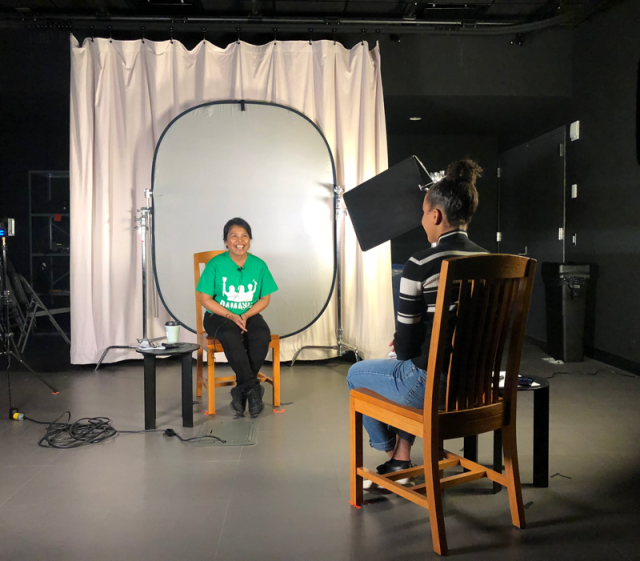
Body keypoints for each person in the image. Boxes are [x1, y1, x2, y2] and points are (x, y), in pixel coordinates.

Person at [347, 159, 488, 486]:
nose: (422, 219)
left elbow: (408, 347)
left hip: (432, 390)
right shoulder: (492, 261)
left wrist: (404, 345)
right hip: (480, 388)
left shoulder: (421, 263)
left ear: (436, 216)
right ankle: (401, 457)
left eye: (424, 213)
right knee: (406, 364)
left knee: (359, 374)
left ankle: (391, 451)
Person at [196, 218, 278, 418]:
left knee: (261, 334)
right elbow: (204, 299)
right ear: (225, 241)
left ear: (250, 239)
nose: (239, 240)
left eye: (244, 236)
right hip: (219, 315)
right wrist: (231, 314)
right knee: (231, 335)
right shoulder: (216, 264)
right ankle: (252, 388)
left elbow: (265, 299)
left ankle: (240, 390)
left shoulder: (259, 265)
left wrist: (246, 314)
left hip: (248, 314)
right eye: (234, 236)